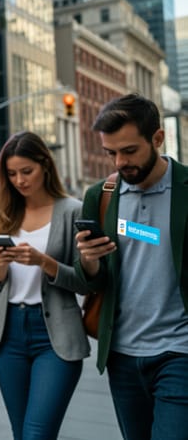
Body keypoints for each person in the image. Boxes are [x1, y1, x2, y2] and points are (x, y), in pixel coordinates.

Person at [74, 93, 188, 439]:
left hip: (179, 351)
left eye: (129, 150)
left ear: (157, 138)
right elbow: (89, 282)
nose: (120, 162)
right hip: (122, 354)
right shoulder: (101, 195)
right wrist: (89, 262)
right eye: (112, 153)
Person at [0, 132, 91, 439]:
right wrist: (2, 267)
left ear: (45, 165)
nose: (19, 180)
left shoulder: (72, 210)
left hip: (54, 335)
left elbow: (85, 282)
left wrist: (44, 262)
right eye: (11, 173)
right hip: (8, 335)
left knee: (36, 434)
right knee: (22, 433)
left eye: (26, 171)